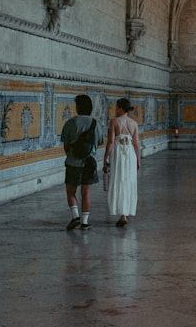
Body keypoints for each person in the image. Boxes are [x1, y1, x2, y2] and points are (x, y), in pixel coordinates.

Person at [60, 94, 103, 230]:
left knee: (71, 191)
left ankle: (75, 216)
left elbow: (66, 145)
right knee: (86, 192)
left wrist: (73, 155)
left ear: (78, 107)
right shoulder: (96, 124)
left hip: (73, 163)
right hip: (89, 163)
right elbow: (99, 143)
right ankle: (85, 222)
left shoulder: (71, 123)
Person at [104, 97, 140, 227]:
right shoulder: (134, 123)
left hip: (119, 153)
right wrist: (138, 160)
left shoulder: (114, 121)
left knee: (119, 179)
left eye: (116, 107)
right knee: (128, 180)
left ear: (120, 108)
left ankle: (122, 215)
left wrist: (105, 158)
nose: (115, 109)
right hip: (130, 154)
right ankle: (125, 213)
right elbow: (136, 144)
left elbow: (111, 142)